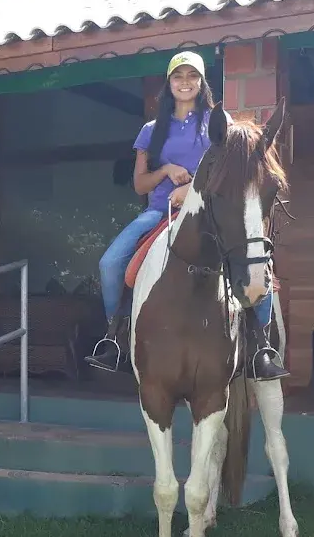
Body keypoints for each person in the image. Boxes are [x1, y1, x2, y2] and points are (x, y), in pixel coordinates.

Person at [85, 51, 288, 382]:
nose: (185, 82)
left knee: (255, 263)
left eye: (192, 76)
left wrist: (192, 189)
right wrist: (166, 170)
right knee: (110, 263)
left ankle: (260, 347)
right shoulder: (151, 130)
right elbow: (140, 184)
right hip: (160, 212)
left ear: (202, 82)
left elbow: (235, 171)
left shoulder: (219, 122)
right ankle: (115, 337)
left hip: (210, 212)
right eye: (178, 76)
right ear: (169, 83)